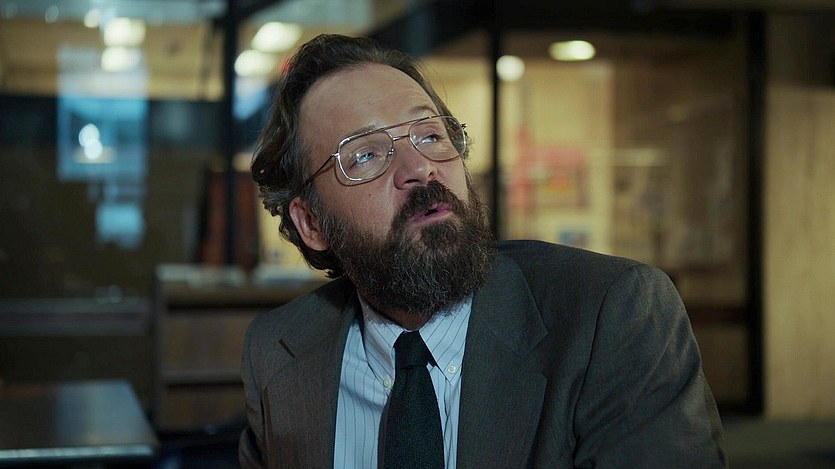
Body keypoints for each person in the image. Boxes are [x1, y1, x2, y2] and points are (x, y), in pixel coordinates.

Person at [240, 33, 726, 468]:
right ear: (311, 223)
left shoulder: (613, 315)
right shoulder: (278, 354)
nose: (420, 168)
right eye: (365, 154)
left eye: (430, 135)